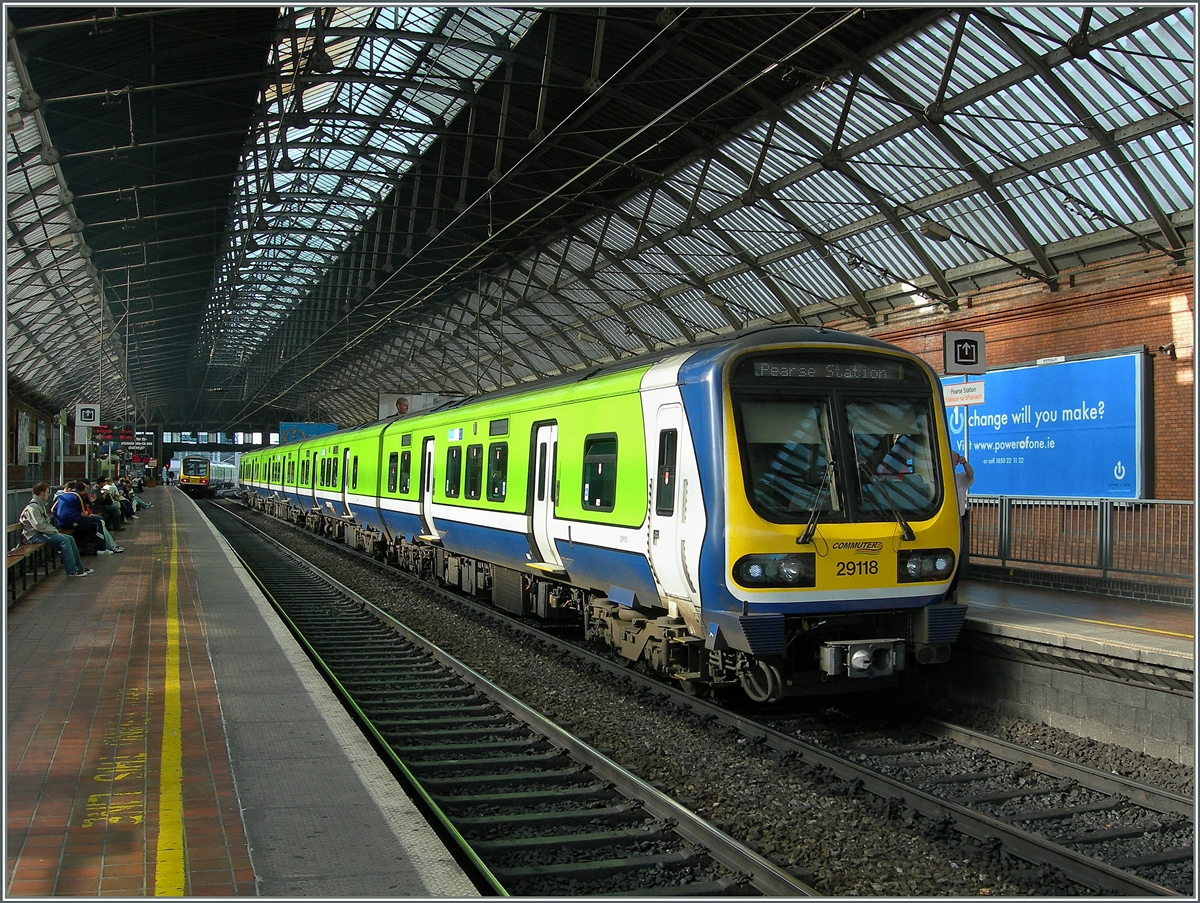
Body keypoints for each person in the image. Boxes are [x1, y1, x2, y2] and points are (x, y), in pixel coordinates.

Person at [19, 483, 93, 577]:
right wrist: (54, 531)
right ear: (41, 493)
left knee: (69, 538)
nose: (48, 494)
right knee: (65, 540)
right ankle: (71, 570)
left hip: (41, 533)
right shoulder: (33, 507)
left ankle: (79, 567)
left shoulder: (39, 505)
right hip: (34, 535)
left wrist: (53, 531)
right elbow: (39, 525)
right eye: (47, 492)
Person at [949, 450, 974, 592]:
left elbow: (971, 475)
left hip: (958, 518)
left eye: (954, 458)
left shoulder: (961, 478)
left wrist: (964, 463)